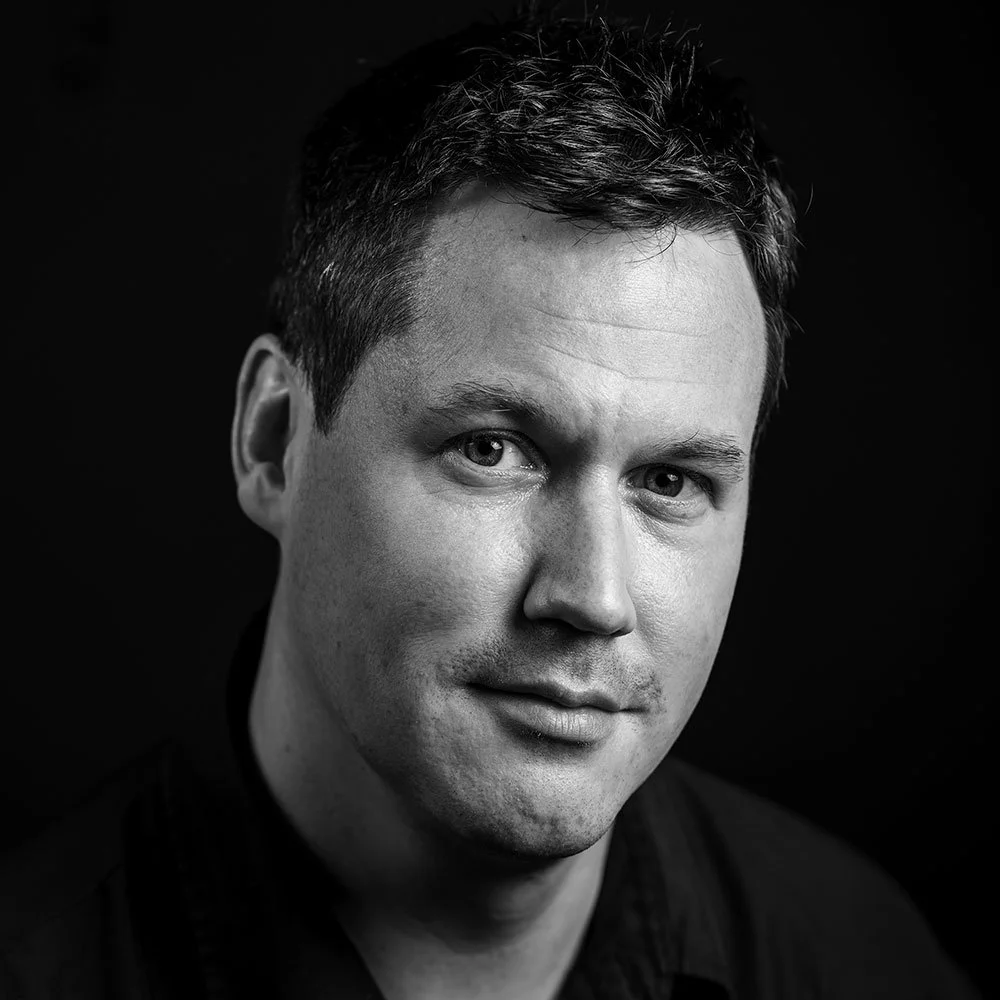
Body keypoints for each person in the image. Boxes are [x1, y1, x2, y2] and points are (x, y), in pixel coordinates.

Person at [0, 6, 980, 999]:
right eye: (493, 450)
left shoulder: (857, 960)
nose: (592, 596)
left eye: (671, 481)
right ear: (273, 439)